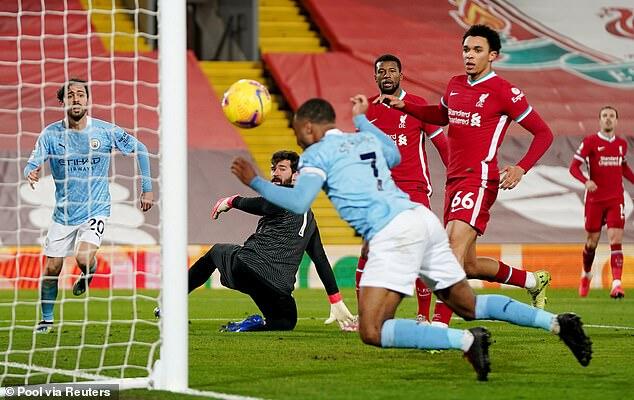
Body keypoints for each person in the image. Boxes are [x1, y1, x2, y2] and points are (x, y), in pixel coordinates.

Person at [230, 95, 592, 381]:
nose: (296, 136)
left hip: (392, 234)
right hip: (422, 220)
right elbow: (393, 153)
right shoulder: (362, 139)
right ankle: (558, 323)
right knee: (469, 306)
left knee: (372, 330)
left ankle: (466, 341)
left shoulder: (315, 155)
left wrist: (254, 182)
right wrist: (361, 120)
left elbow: (297, 200)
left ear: (309, 127)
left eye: (296, 130)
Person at [377, 24, 555, 326]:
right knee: (468, 264)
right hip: (455, 181)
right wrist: (405, 106)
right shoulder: (456, 84)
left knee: (449, 251)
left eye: (477, 50)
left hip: (480, 179)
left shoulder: (504, 92)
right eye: (465, 50)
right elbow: (441, 116)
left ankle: (439, 326)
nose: (469, 56)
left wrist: (521, 167)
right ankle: (533, 282)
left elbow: (543, 133)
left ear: (493, 55)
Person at [156, 150, 355, 332]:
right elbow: (320, 259)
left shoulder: (286, 197)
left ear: (296, 176)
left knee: (216, 252)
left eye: (282, 169)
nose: (275, 173)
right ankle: (252, 324)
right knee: (285, 323)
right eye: (273, 168)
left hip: (248, 269)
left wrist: (232, 201)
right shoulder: (309, 219)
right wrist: (335, 299)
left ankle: (171, 305)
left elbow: (265, 205)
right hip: (276, 285)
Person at [24, 78, 154, 334]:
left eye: (80, 94)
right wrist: (32, 170)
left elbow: (141, 148)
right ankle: (46, 319)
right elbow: (33, 161)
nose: (76, 98)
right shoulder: (50, 134)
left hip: (96, 209)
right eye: (70, 95)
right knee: (52, 268)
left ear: (87, 100)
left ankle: (88, 270)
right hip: (63, 214)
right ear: (63, 102)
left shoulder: (105, 132)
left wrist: (147, 188)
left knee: (83, 257)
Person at [356, 53, 449, 324]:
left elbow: (442, 146)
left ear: (400, 75)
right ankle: (364, 317)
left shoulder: (417, 105)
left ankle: (423, 315)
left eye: (391, 71)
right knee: (367, 250)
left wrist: (457, 175)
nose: (386, 75)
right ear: (375, 77)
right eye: (381, 71)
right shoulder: (367, 112)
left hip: (414, 189)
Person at [570, 106, 633, 298]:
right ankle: (586, 274)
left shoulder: (622, 144)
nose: (608, 119)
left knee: (616, 241)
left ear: (616, 121)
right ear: (599, 120)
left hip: (616, 199)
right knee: (592, 243)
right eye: (605, 116)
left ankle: (616, 284)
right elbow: (573, 167)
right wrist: (586, 181)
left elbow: (623, 169)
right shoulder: (590, 142)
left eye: (611, 116)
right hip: (595, 201)